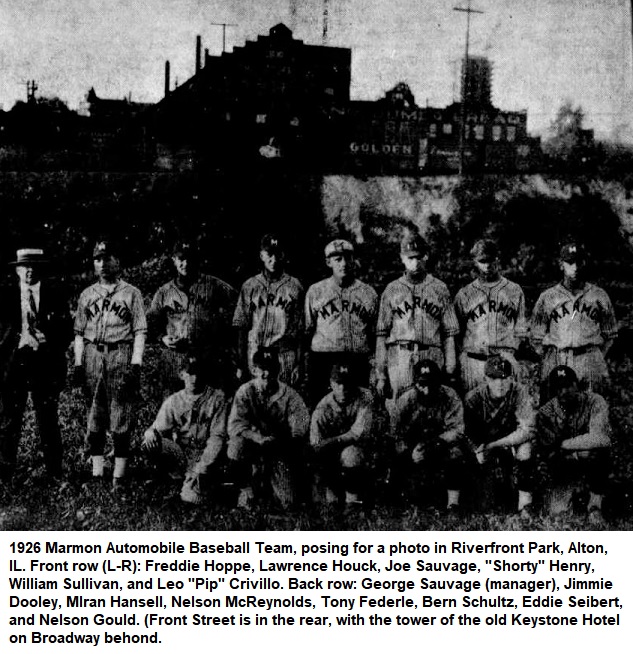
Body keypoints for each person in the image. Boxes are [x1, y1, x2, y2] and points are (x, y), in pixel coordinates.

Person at [73, 238, 147, 488]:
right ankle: (96, 472)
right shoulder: (87, 295)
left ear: (118, 261)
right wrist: (78, 364)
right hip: (94, 353)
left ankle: (119, 475)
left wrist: (136, 364)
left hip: (120, 353)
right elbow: (80, 333)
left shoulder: (131, 293)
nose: (103, 263)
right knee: (95, 412)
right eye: (98, 259)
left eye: (108, 258)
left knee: (121, 412)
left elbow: (139, 331)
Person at [0, 248, 73, 480]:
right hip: (15, 363)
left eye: (34, 266)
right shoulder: (5, 295)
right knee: (9, 420)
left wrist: (49, 338)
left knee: (48, 418)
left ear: (41, 268)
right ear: (16, 269)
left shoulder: (55, 294)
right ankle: (4, 472)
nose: (29, 270)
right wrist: (15, 340)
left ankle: (54, 472)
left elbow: (67, 330)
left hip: (45, 363)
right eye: (24, 266)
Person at [376, 231, 459, 403]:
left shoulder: (440, 288)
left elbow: (449, 333)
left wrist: (450, 370)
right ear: (402, 258)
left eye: (419, 257)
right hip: (401, 356)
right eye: (410, 258)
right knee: (399, 406)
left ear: (426, 256)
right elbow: (381, 334)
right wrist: (381, 375)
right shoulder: (391, 289)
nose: (414, 262)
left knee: (432, 405)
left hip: (432, 354)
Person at [148, 240, 237, 395]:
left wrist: (223, 338)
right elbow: (150, 322)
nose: (186, 264)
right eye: (181, 259)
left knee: (210, 403)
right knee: (173, 404)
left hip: (207, 357)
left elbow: (240, 307)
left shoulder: (214, 285)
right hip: (175, 358)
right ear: (174, 260)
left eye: (191, 258)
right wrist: (162, 338)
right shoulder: (165, 292)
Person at [531, 242, 618, 401]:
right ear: (561, 264)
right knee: (556, 412)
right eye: (570, 262)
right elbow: (536, 336)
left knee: (592, 409)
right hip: (559, 357)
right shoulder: (548, 296)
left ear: (585, 263)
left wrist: (595, 355)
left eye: (579, 261)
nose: (575, 267)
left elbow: (610, 334)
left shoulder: (599, 295)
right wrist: (550, 357)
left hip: (589, 358)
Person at [141, 351, 230, 505]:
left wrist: (202, 467)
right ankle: (168, 478)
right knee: (150, 443)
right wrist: (149, 433)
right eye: (189, 373)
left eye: (198, 373)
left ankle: (199, 485)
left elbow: (217, 438)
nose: (194, 379)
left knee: (192, 498)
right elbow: (156, 428)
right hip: (182, 453)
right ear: (182, 374)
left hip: (205, 455)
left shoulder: (217, 399)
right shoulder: (174, 400)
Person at [226, 347, 310, 509]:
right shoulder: (245, 391)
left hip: (279, 449)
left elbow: (299, 430)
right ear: (254, 370)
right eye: (262, 369)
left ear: (278, 370)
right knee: (235, 447)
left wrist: (277, 441)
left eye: (271, 369)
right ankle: (248, 491)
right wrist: (258, 438)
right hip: (253, 445)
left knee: (288, 502)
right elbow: (235, 425)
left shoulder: (290, 395)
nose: (267, 374)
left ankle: (269, 485)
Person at [304, 239, 378, 405]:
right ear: (328, 262)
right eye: (338, 259)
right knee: (321, 405)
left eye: (347, 258)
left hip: (357, 358)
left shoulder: (368, 292)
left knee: (358, 405)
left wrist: (374, 364)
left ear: (353, 260)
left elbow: (374, 333)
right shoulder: (316, 291)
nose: (343, 264)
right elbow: (307, 330)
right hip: (324, 359)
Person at [537, 365, 611, 526]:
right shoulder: (546, 412)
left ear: (577, 384)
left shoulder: (594, 401)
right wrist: (577, 451)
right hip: (562, 465)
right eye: (559, 388)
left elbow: (601, 438)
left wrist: (565, 444)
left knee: (600, 452)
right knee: (557, 515)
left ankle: (594, 506)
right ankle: (566, 496)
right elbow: (550, 451)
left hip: (588, 459)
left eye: (568, 386)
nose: (564, 391)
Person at [464, 355, 536, 517]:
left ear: (511, 378)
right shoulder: (473, 397)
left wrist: (497, 444)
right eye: (494, 378)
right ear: (485, 379)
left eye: (504, 378)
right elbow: (466, 431)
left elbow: (528, 429)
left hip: (509, 441)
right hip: (485, 444)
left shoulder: (519, 392)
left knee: (526, 449)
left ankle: (525, 504)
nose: (500, 383)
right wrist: (477, 448)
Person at [390, 359, 466, 513]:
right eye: (422, 384)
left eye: (431, 384)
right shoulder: (405, 400)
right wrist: (409, 450)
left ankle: (453, 504)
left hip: (439, 445)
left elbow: (457, 430)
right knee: (394, 454)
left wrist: (434, 444)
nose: (427, 390)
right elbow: (394, 433)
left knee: (456, 453)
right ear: (415, 383)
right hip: (413, 448)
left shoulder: (450, 396)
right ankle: (401, 501)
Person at [454, 238, 528, 392]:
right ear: (475, 262)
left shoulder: (514, 290)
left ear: (497, 259)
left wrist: (512, 355)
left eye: (490, 260)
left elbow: (520, 329)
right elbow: (456, 333)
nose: (487, 265)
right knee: (472, 408)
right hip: (474, 361)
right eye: (482, 261)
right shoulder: (465, 294)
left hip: (503, 359)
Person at [233, 234, 304, 386]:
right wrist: (240, 363)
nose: (274, 259)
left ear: (283, 254)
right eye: (270, 254)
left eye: (278, 253)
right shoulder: (250, 285)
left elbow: (300, 331)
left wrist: (298, 363)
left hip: (283, 355)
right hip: (256, 352)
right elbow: (241, 327)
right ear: (261, 255)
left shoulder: (294, 286)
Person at [310, 363, 375, 509]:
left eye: (347, 383)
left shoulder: (365, 397)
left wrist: (332, 442)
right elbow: (316, 445)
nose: (343, 388)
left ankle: (353, 501)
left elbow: (358, 434)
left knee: (352, 453)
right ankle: (331, 497)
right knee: (327, 504)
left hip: (359, 450)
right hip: (330, 454)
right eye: (338, 383)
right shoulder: (322, 408)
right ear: (331, 383)